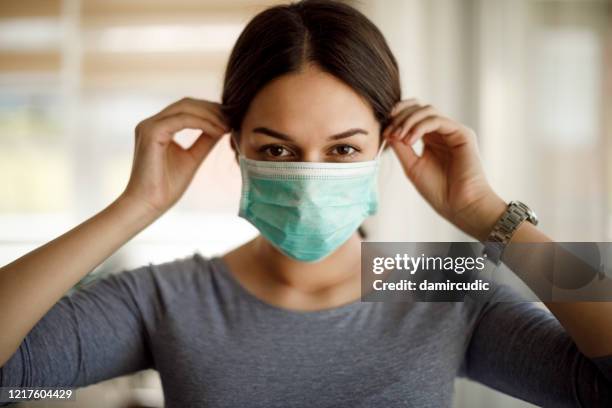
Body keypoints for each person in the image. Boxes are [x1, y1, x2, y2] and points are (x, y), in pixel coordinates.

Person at [1, 1, 611, 407]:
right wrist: (135, 206)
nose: (312, 174)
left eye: (343, 150)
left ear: (384, 147)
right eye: (279, 150)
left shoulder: (434, 281)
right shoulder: (167, 297)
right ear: (236, 147)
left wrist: (486, 212)